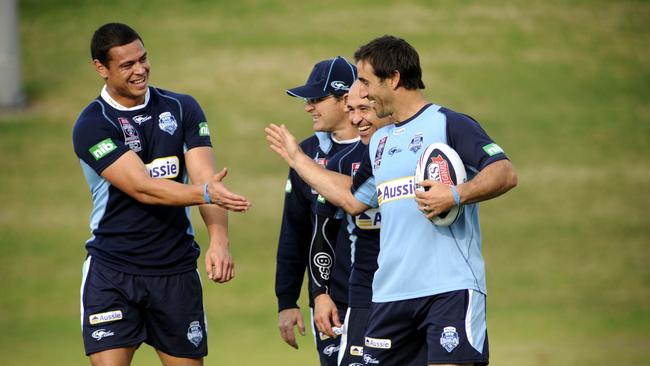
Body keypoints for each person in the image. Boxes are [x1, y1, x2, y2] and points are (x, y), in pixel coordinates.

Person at [266, 34, 517, 366]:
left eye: (367, 82)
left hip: (449, 289)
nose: (363, 93)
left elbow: (504, 172)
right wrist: (298, 160)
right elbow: (354, 200)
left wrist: (455, 194)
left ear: (394, 78)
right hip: (389, 296)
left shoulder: (447, 124)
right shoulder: (380, 142)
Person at [72, 23, 250, 366]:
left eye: (143, 59)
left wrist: (219, 240)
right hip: (113, 272)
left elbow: (204, 177)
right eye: (127, 65)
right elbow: (143, 188)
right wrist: (206, 191)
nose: (140, 70)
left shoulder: (182, 108)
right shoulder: (93, 124)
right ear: (100, 68)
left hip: (176, 271)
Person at [274, 56, 359, 365]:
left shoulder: (382, 146)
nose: (308, 106)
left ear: (346, 98)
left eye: (316, 98)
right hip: (329, 302)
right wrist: (288, 300)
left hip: (385, 296)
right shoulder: (306, 153)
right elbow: (294, 229)